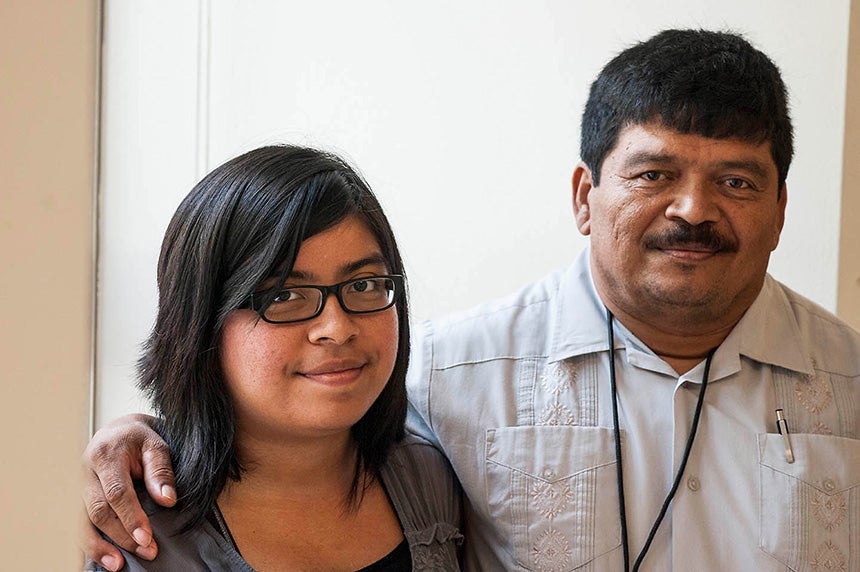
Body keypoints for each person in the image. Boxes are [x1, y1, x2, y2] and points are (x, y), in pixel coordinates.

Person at [83, 29, 860, 571]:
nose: (692, 211)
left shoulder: (852, 382)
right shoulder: (451, 380)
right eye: (654, 174)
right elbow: (279, 423)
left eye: (735, 181)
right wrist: (139, 434)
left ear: (782, 207)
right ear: (586, 196)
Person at [83, 145, 463, 571]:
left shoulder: (438, 474)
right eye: (283, 295)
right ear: (200, 320)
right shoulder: (123, 530)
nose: (336, 328)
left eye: (363, 285)